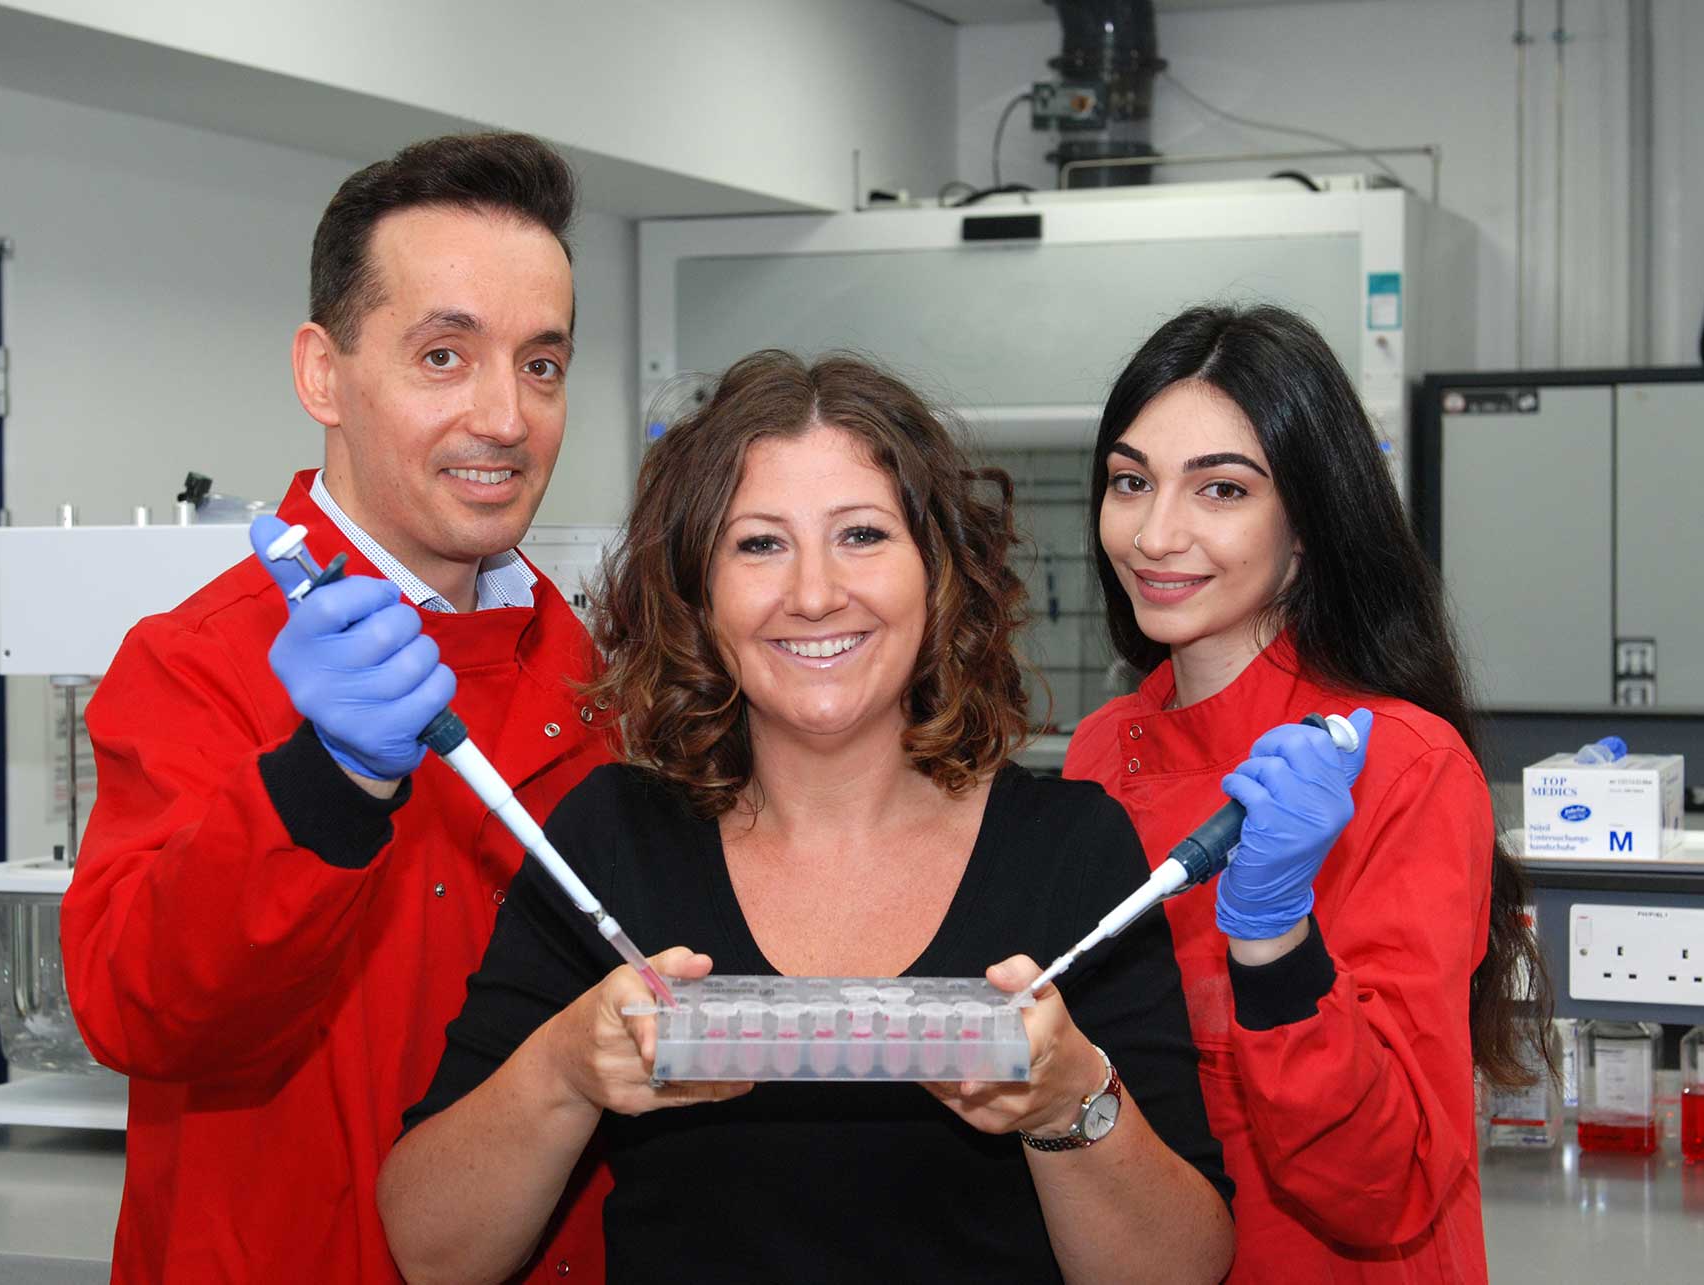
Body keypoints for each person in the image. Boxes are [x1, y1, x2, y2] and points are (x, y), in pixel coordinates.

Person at [377, 350, 1255, 1285]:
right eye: (759, 544)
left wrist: (1074, 1104)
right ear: (697, 590)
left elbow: (1182, 1271)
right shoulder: (610, 839)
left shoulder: (1073, 852)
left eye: (863, 535)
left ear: (939, 571)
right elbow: (435, 1252)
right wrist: (563, 1069)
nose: (813, 593)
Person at [61, 133, 615, 1283]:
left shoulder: (591, 678)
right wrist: (326, 782)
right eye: (444, 356)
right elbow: (138, 1010)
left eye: (542, 365)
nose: (506, 417)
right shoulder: (197, 666)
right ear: (323, 373)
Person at [1064, 304, 1550, 1283]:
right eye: (1131, 482)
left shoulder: (1401, 764)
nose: (1157, 533)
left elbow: (1392, 1189)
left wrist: (1278, 947)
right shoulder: (1101, 751)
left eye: (1223, 489)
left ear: (1308, 525)